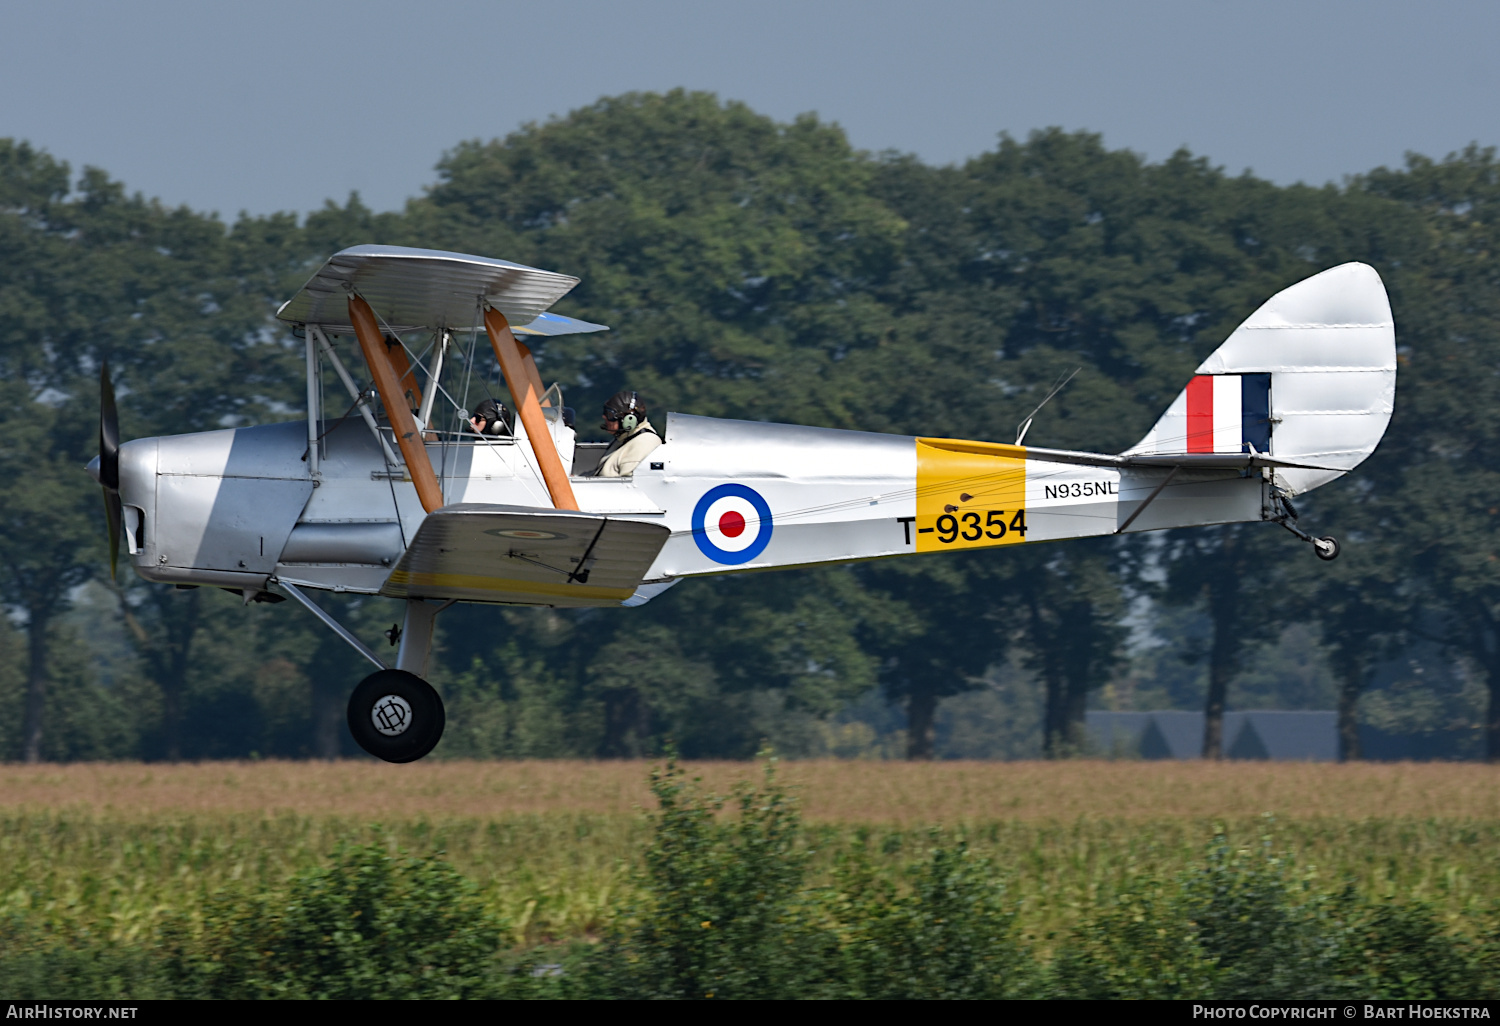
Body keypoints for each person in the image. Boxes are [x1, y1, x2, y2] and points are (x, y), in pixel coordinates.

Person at [594, 390, 661, 477]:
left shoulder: (644, 443)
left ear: (629, 419)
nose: (604, 417)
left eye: (610, 414)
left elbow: (627, 486)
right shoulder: (623, 439)